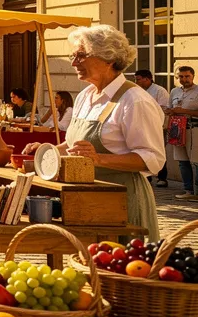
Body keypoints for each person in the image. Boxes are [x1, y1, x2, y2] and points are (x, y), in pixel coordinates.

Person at [22, 25, 163, 239]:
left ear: (109, 59)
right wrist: (47, 151)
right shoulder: (85, 95)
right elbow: (75, 146)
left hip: (122, 203)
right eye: (73, 56)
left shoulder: (135, 101)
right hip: (84, 202)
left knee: (120, 266)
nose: (73, 62)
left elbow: (153, 159)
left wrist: (99, 159)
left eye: (81, 56)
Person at [167, 66, 198, 199]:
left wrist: (184, 111)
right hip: (178, 129)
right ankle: (188, 191)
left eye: (187, 76)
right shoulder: (174, 91)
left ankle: (197, 192)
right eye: (181, 77)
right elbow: (170, 108)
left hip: (194, 128)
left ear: (193, 76)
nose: (184, 79)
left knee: (196, 161)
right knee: (182, 161)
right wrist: (169, 111)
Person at [136, 69, 170, 186]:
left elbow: (164, 108)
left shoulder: (159, 91)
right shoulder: (138, 91)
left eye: (138, 79)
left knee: (159, 149)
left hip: (158, 125)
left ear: (147, 79)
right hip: (142, 125)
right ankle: (147, 177)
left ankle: (162, 178)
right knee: (145, 150)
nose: (136, 81)